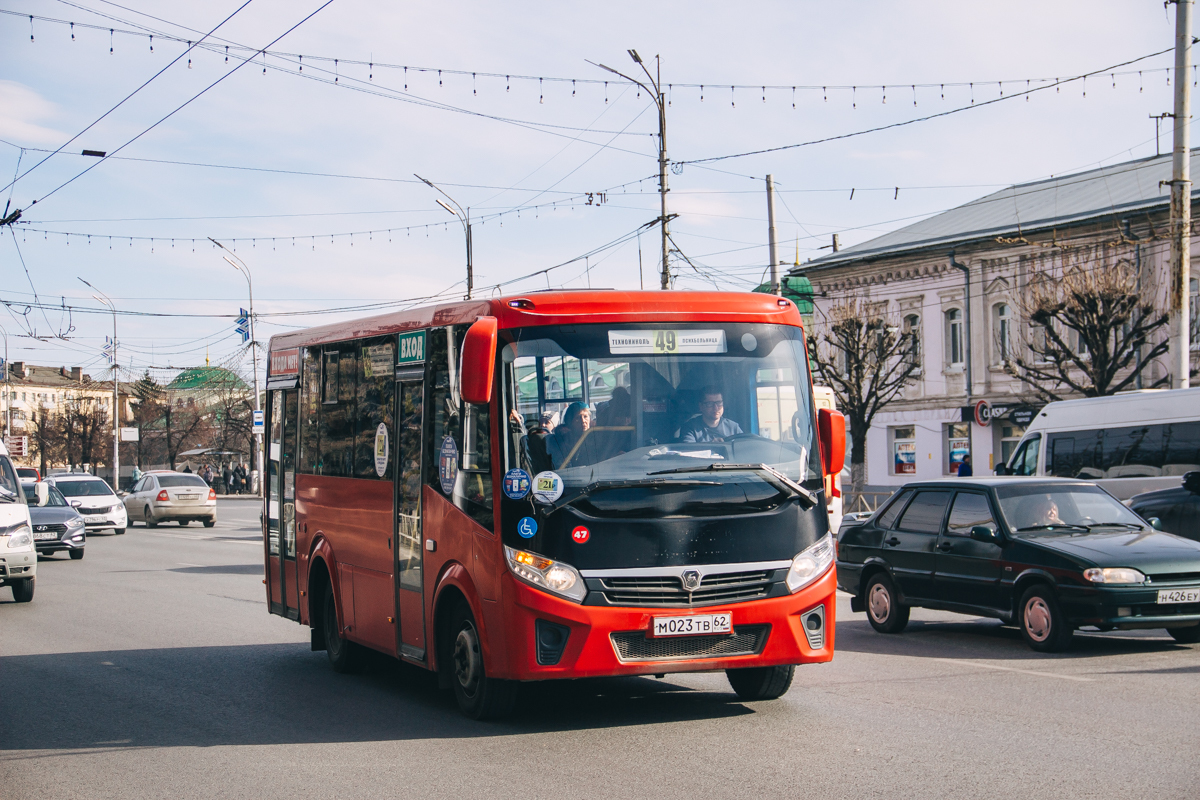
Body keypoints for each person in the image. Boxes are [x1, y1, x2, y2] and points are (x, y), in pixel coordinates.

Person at [679, 386, 743, 443]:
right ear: (701, 406)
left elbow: (744, 449)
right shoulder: (690, 428)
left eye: (719, 402)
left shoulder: (733, 427)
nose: (716, 408)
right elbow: (688, 452)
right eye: (710, 403)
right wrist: (711, 445)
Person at [545, 402, 597, 468]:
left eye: (585, 416)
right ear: (570, 421)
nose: (583, 420)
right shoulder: (562, 440)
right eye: (578, 418)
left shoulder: (595, 436)